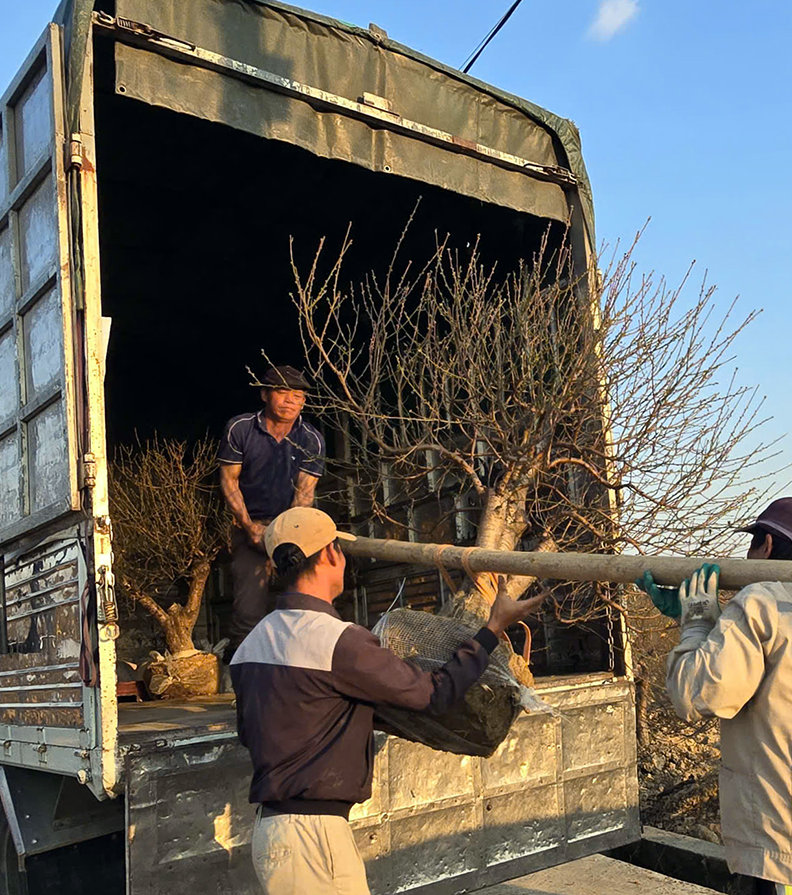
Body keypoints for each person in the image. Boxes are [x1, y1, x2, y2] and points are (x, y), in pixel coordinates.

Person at [231, 507, 548, 895]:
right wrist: (492, 628)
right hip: (314, 840)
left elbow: (257, 730)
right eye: (341, 551)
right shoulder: (338, 642)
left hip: (272, 835)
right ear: (331, 554)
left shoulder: (249, 647)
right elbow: (434, 694)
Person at [637, 497, 792, 895]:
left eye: (752, 544)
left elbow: (696, 694)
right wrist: (712, 627)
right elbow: (765, 671)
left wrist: (696, 625)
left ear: (766, 546)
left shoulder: (761, 600)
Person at [219, 365, 326, 654]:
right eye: (283, 392)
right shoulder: (240, 428)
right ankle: (244, 680)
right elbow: (229, 481)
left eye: (299, 395)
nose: (291, 400)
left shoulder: (311, 438)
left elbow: (305, 492)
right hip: (248, 527)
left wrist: (286, 534)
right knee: (248, 612)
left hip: (293, 529)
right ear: (265, 394)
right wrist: (249, 526)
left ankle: (306, 670)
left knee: (307, 602)